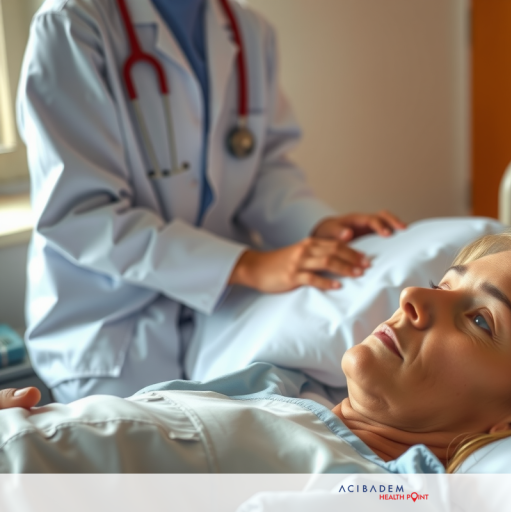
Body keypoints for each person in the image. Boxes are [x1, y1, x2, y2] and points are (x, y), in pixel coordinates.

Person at [0, 230, 511, 473]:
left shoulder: (375, 491)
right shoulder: (285, 392)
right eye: (441, 284)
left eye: (480, 321)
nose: (412, 296)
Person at [16, 0, 405, 403]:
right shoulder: (72, 24)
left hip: (218, 314)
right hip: (109, 330)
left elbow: (261, 166)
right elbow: (82, 214)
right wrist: (247, 264)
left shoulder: (249, 30)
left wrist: (317, 226)